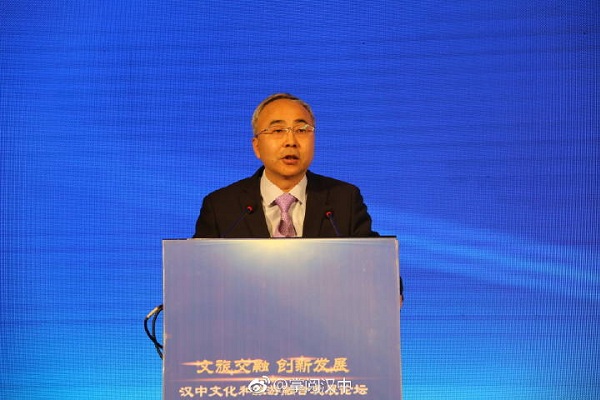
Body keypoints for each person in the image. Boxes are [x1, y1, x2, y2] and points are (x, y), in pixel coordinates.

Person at [193, 93, 378, 239]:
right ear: (257, 147)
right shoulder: (221, 207)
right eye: (277, 130)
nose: (291, 141)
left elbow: (376, 265)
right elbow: (197, 270)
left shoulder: (345, 200)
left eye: (302, 130)